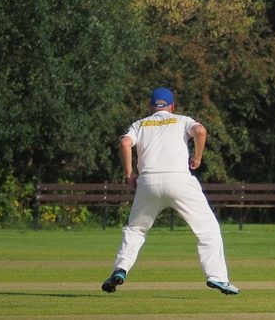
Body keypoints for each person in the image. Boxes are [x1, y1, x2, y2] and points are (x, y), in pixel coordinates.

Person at [101, 87, 239, 295]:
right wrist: (197, 157)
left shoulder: (140, 124)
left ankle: (121, 269)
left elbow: (125, 143)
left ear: (150, 106)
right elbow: (200, 131)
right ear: (172, 106)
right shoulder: (182, 120)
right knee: (207, 229)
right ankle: (217, 277)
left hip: (147, 182)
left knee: (136, 229)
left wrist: (129, 174)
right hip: (179, 180)